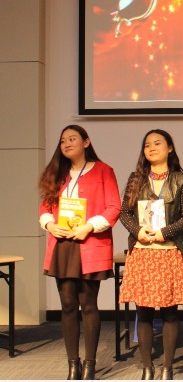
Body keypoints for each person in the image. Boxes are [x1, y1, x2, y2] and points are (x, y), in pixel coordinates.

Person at [39, 125, 121, 380]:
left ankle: (90, 364)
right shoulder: (57, 173)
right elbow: (45, 207)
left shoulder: (103, 170)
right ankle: (72, 363)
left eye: (72, 139)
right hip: (62, 244)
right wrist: (50, 225)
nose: (66, 143)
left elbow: (113, 207)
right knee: (67, 305)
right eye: (63, 140)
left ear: (86, 142)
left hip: (90, 242)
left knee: (88, 304)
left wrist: (89, 227)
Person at [119, 129, 183, 380]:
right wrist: (138, 231)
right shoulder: (136, 179)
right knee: (143, 312)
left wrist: (165, 232)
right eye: (147, 145)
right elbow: (124, 213)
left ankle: (167, 368)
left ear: (169, 148)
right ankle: (147, 367)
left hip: (168, 252)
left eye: (157, 143)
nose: (151, 148)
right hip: (142, 253)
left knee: (170, 312)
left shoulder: (182, 179)